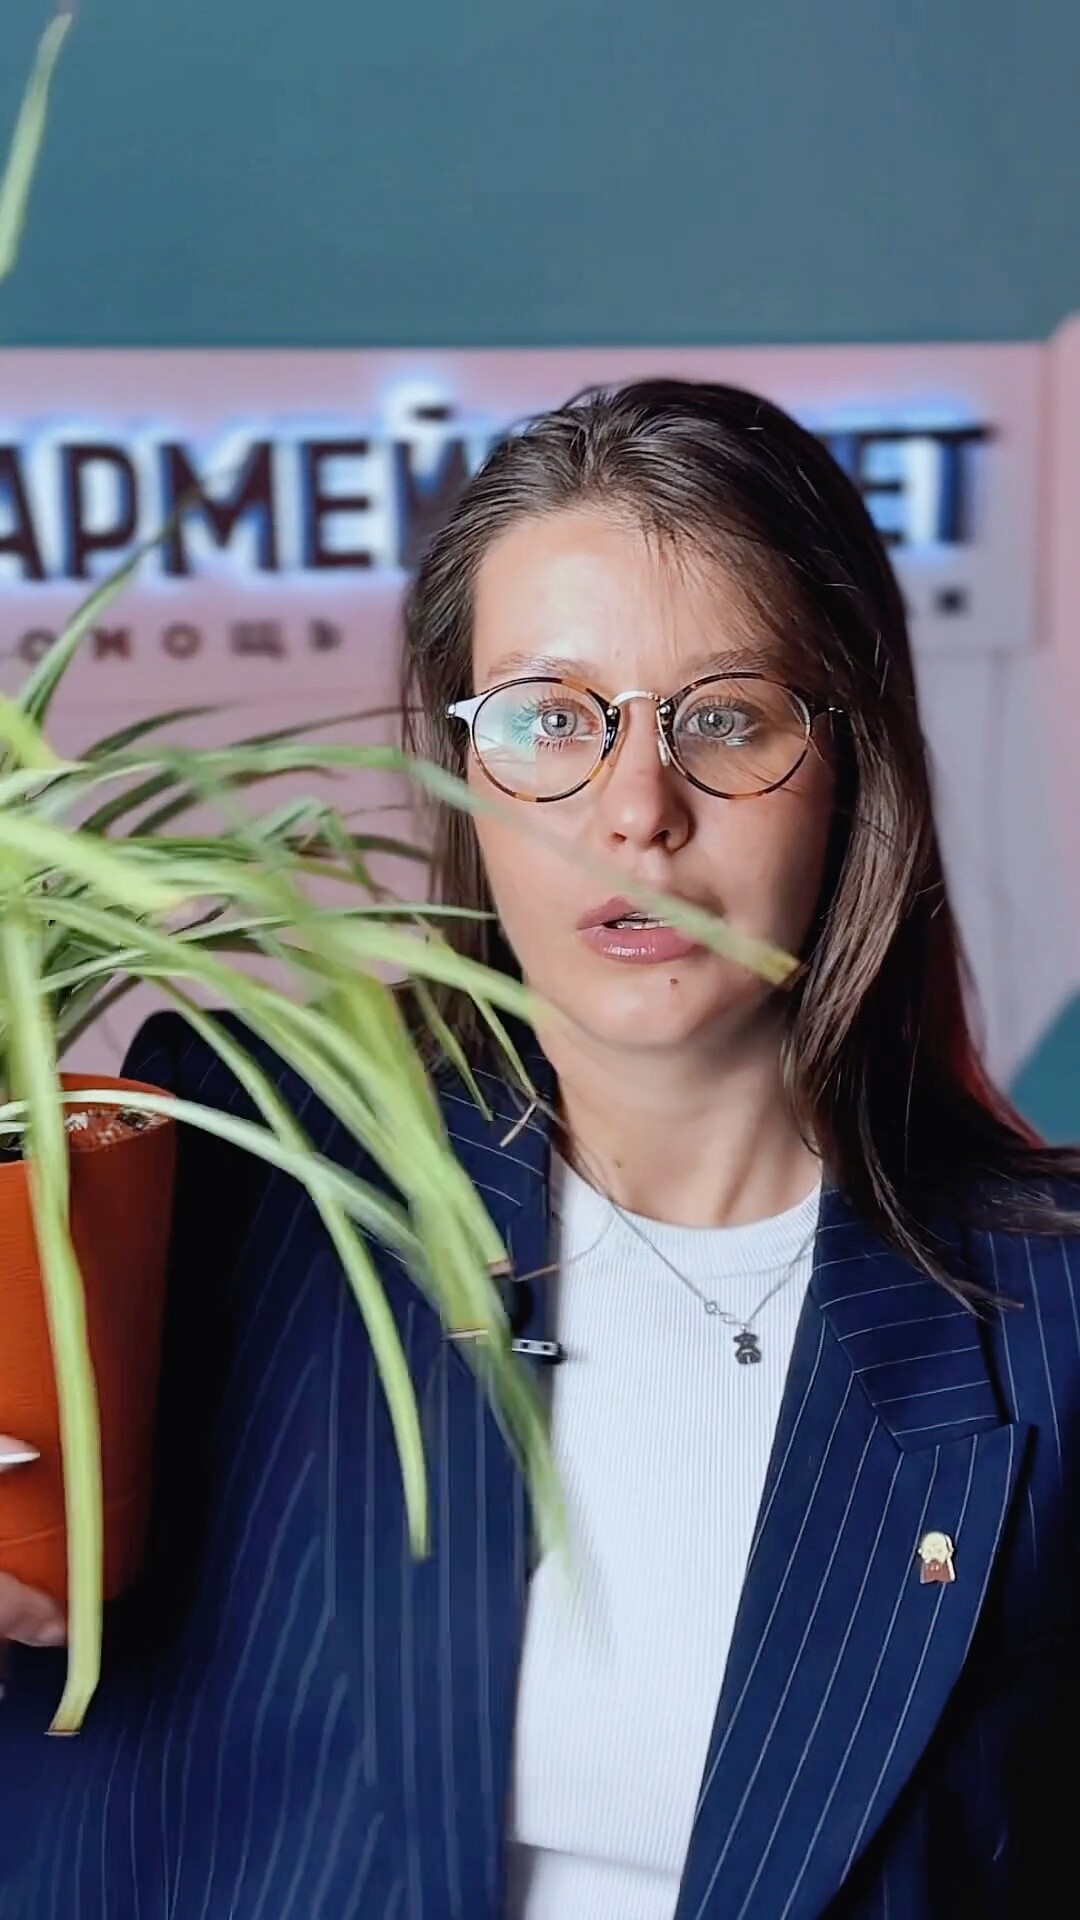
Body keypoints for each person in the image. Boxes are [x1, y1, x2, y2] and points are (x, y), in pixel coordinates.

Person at [1, 379, 1078, 1920]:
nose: (638, 811)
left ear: (852, 763)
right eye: (549, 720)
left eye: (727, 718)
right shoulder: (244, 1163)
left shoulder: (1049, 1319)